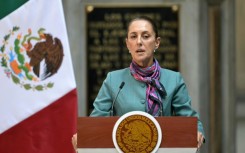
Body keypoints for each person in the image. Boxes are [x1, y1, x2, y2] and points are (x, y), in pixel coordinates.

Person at [72, 16, 205, 150]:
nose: (139, 42)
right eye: (133, 37)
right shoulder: (114, 80)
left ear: (157, 42)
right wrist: (84, 135)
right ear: (127, 43)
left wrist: (197, 132)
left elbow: (189, 119)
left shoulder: (174, 79)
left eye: (146, 36)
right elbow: (96, 121)